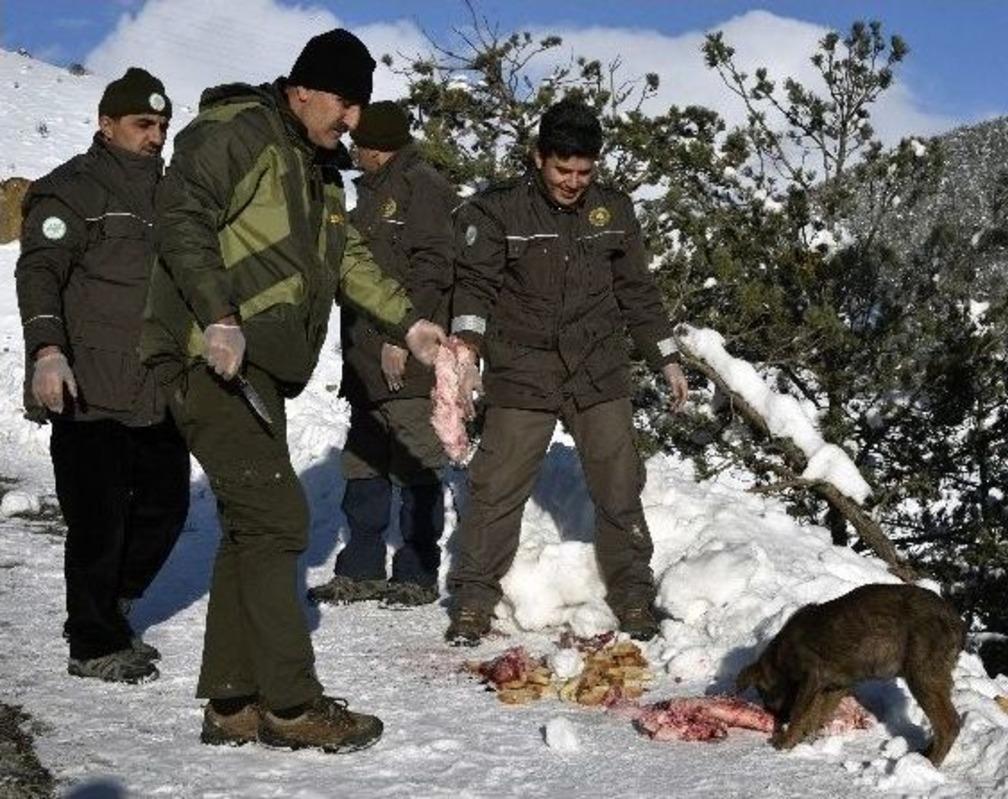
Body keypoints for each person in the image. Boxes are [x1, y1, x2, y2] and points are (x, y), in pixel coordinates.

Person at [141, 29, 445, 753]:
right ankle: (291, 702)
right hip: (208, 354)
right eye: (345, 103)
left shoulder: (318, 173)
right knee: (279, 522)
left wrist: (412, 322)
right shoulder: (239, 132)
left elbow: (350, 260)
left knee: (253, 527)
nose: (351, 121)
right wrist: (217, 313)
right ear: (303, 88)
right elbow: (181, 218)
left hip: (260, 369)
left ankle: (233, 700)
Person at [444, 99, 688, 647]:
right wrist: (466, 352)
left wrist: (665, 355)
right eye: (563, 169)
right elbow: (475, 289)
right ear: (538, 158)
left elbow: (638, 292)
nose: (573, 181)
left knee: (620, 483)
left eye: (585, 171)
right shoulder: (500, 210)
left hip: (598, 368)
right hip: (524, 367)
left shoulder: (614, 210)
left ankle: (631, 593)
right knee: (497, 486)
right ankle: (473, 598)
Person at [16, 67, 189, 685]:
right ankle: (92, 642)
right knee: (98, 520)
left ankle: (109, 602)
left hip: (155, 385)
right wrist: (46, 351)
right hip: (86, 385)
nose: (155, 136)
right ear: (106, 123)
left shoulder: (174, 193)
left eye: (163, 126)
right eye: (144, 124)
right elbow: (38, 274)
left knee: (166, 508)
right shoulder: (72, 190)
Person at [308, 101, 456, 608]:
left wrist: (401, 335)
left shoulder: (422, 188)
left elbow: (435, 269)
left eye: (357, 144)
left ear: (374, 148)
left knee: (416, 463)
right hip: (365, 364)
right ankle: (362, 569)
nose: (352, 151)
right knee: (363, 465)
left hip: (405, 359)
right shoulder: (372, 191)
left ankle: (416, 573)